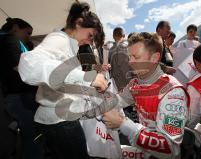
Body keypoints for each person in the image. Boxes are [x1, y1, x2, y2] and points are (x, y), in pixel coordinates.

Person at [18, 2, 108, 159]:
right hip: (60, 121)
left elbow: (63, 80)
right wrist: (87, 78)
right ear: (79, 22)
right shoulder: (59, 39)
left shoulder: (70, 46)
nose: (89, 41)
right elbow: (29, 65)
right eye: (90, 36)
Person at [102, 32, 189, 159]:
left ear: (154, 58)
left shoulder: (173, 93)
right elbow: (118, 100)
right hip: (143, 146)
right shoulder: (135, 83)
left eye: (135, 57)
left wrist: (123, 124)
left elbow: (171, 149)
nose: (130, 62)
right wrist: (101, 93)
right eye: (129, 57)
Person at [0, 18, 42, 159]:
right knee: (33, 137)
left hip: (12, 96)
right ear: (15, 27)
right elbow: (19, 67)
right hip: (21, 97)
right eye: (27, 33)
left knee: (25, 136)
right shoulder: (10, 39)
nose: (28, 36)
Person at [108, 27, 132, 91]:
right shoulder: (128, 49)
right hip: (127, 85)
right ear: (124, 35)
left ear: (113, 36)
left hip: (115, 85)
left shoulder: (110, 51)